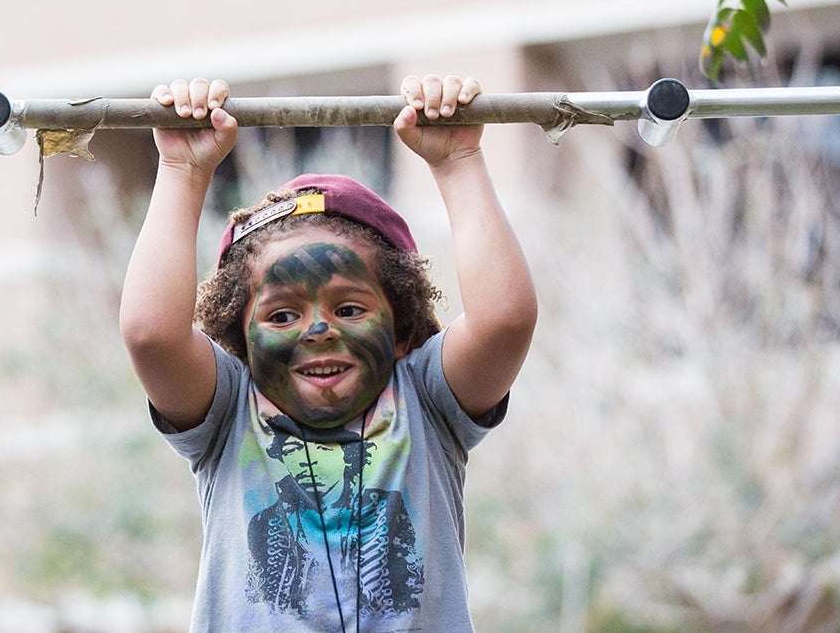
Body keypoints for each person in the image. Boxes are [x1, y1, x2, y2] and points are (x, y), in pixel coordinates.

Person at [119, 74, 538, 632]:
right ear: (241, 342)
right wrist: (182, 172)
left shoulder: (427, 401)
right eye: (281, 315)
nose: (317, 331)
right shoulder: (227, 412)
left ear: (404, 330)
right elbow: (152, 335)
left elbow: (504, 321)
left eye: (349, 309)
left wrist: (459, 163)